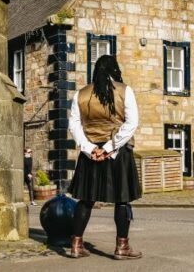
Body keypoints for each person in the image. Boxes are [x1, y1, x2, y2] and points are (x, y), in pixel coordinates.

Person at [68, 54, 142, 260]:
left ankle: (76, 244)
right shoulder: (125, 91)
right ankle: (122, 247)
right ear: (114, 70)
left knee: (86, 200)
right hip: (118, 153)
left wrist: (90, 149)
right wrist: (109, 147)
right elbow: (131, 123)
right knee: (123, 200)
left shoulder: (80, 94)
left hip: (90, 153)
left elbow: (74, 125)